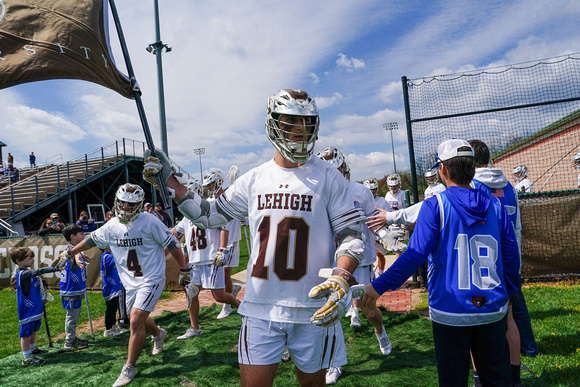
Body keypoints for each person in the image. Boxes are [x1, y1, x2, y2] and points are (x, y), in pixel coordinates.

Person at [143, 88, 367, 387]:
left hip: (313, 307)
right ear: (273, 124)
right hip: (260, 307)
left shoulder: (328, 176)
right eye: (290, 123)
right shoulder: (255, 179)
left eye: (306, 124)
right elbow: (210, 214)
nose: (300, 132)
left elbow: (351, 235)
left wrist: (341, 275)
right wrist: (170, 182)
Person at [361, 139, 521, 386]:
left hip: (450, 311)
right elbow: (510, 257)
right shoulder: (496, 206)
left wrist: (378, 286)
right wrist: (510, 294)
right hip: (491, 308)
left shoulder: (436, 206)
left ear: (443, 170)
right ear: (472, 168)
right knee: (497, 381)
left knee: (453, 380)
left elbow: (414, 255)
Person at [52, 183, 190, 386]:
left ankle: (129, 367)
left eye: (131, 204)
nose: (126, 208)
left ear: (140, 205)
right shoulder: (111, 225)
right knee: (140, 318)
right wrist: (70, 252)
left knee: (134, 321)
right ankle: (158, 333)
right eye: (123, 203)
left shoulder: (150, 221)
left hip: (151, 278)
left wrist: (184, 269)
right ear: (117, 202)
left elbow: (172, 243)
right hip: (130, 281)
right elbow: (92, 241)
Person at [317, 147, 394, 385]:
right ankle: (335, 362)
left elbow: (372, 219)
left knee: (368, 310)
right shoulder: (318, 192)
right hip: (333, 259)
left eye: (337, 169)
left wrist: (385, 234)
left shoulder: (360, 191)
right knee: (331, 312)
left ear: (345, 168)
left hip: (361, 258)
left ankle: (380, 331)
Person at [469, 139, 538, 384]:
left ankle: (480, 378)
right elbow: (516, 226)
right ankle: (518, 372)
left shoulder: (472, 185)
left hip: (483, 265)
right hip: (508, 262)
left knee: (475, 323)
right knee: (511, 317)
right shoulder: (508, 185)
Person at [170, 178, 241, 339]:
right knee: (191, 292)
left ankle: (240, 306)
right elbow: (174, 231)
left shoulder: (210, 207)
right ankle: (194, 327)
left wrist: (221, 249)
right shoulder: (187, 216)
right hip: (195, 261)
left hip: (210, 259)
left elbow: (224, 227)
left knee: (218, 296)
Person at [201, 171, 243, 320]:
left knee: (225, 273)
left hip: (231, 240)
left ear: (218, 182)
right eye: (207, 185)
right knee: (222, 274)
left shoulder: (230, 198)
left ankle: (227, 305)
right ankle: (232, 291)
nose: (209, 187)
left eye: (211, 184)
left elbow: (241, 213)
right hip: (216, 243)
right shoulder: (209, 201)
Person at [11, 247, 61, 366]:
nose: (33, 260)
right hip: (27, 310)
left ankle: (33, 349)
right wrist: (57, 268)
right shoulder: (23, 274)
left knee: (33, 329)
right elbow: (39, 271)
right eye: (30, 258)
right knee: (26, 333)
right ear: (19, 261)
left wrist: (42, 299)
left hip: (35, 308)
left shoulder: (29, 274)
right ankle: (27, 358)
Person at [59, 224, 90, 350]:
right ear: (73, 236)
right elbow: (59, 263)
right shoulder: (69, 251)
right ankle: (69, 341)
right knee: (72, 317)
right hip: (70, 290)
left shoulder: (76, 251)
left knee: (75, 315)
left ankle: (72, 338)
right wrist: (76, 256)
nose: (83, 236)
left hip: (75, 289)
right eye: (81, 234)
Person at [363, 178, 393, 277]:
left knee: (380, 255)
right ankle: (370, 276)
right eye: (370, 189)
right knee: (368, 256)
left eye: (374, 189)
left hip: (379, 233)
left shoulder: (382, 201)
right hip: (367, 232)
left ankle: (380, 274)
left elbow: (390, 213)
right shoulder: (362, 200)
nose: (372, 191)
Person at [101, 246, 127, 337]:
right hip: (110, 288)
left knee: (114, 307)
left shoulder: (109, 255)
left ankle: (112, 326)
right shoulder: (106, 256)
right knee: (111, 309)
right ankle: (108, 329)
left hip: (114, 287)